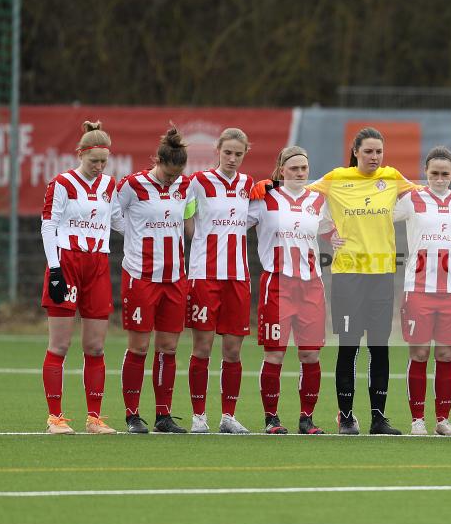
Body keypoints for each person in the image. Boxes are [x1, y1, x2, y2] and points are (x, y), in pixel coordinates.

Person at [311, 127, 417, 435]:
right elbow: (301, 201)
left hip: (382, 275)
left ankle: (378, 419)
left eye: (379, 151)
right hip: (348, 276)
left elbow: (428, 197)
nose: (374, 156)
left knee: (379, 347)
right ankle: (345, 417)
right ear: (355, 151)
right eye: (368, 151)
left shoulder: (392, 177)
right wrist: (329, 232)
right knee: (349, 347)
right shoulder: (336, 178)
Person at [39, 121, 118, 434]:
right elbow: (48, 225)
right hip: (67, 263)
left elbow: (119, 221)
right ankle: (55, 417)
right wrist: (55, 268)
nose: (98, 167)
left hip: (97, 264)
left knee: (96, 347)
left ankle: (94, 418)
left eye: (103, 161)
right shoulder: (63, 182)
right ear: (81, 155)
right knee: (60, 344)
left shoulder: (110, 186)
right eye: (93, 161)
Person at [248, 146, 332, 435]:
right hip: (278, 284)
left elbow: (334, 232)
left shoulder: (319, 200)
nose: (299, 173)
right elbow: (232, 221)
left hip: (311, 286)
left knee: (310, 356)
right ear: (282, 169)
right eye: (293, 168)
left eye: (303, 169)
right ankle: (271, 418)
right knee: (275, 355)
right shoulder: (265, 197)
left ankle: (306, 418)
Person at [393, 146, 451, 436]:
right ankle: (417, 420)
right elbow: (378, 215)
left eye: (445, 174)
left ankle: (443, 419)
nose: (439, 178)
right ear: (425, 173)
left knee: (445, 355)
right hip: (418, 288)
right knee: (418, 353)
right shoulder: (412, 199)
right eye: (434, 173)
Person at [115, 126, 191, 434]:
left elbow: (191, 217)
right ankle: (132, 414)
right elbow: (112, 215)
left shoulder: (185, 187)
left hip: (175, 277)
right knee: (139, 346)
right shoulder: (132, 185)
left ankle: (163, 415)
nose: (172, 179)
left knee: (169, 347)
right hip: (140, 276)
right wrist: (133, 234)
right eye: (168, 173)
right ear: (156, 161)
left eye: (177, 175)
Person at [184, 128, 254, 434]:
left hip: (237, 277)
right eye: (228, 153)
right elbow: (184, 214)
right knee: (202, 347)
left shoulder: (248, 185)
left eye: (239, 154)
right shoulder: (198, 182)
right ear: (218, 150)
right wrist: (197, 240)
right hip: (204, 274)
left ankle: (228, 415)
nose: (233, 159)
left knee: (233, 351)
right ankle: (199, 416)